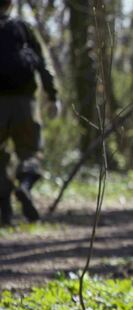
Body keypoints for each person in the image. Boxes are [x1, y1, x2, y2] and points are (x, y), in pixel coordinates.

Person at [0, 0, 58, 226]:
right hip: (26, 105)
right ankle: (25, 187)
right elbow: (43, 63)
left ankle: (5, 213)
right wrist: (53, 95)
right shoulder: (23, 28)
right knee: (31, 152)